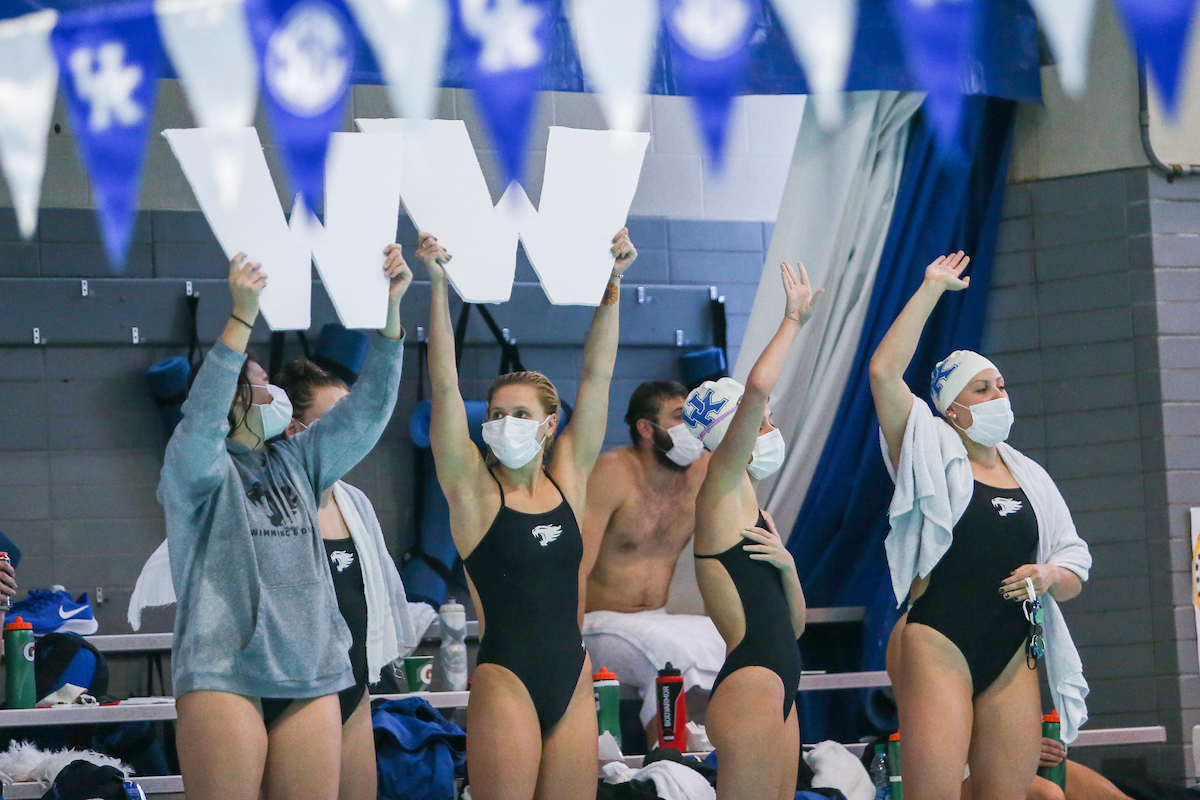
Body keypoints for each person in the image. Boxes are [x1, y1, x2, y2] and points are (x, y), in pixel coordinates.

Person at [158, 246, 412, 800]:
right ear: (231, 395)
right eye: (258, 379)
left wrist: (391, 315)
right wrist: (241, 316)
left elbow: (367, 411)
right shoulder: (197, 470)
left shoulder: (299, 463)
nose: (273, 389)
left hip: (311, 670)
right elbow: (201, 418)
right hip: (224, 672)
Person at [423, 228, 636, 799]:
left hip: (571, 679)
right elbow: (443, 386)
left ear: (548, 426)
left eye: (520, 413)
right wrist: (438, 285)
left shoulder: (568, 476)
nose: (504, 422)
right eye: (496, 412)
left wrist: (612, 283)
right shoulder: (474, 490)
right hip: (506, 681)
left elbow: (597, 377)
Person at [870, 251, 1092, 800]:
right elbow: (882, 372)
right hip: (940, 638)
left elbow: (1074, 565)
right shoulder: (926, 450)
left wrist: (1048, 576)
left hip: (1012, 648)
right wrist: (930, 290)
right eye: (983, 389)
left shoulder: (1029, 474)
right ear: (952, 409)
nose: (1000, 396)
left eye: (1001, 385)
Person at [684, 261, 818, 800]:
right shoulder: (717, 491)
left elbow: (796, 627)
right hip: (751, 687)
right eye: (759, 421)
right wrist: (792, 321)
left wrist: (787, 566)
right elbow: (760, 386)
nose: (770, 428)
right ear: (730, 430)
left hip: (780, 682)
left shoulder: (756, 509)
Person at [277, 358, 419, 800]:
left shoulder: (354, 502)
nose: (353, 430)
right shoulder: (270, 508)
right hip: (293, 698)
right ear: (296, 430)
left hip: (354, 692)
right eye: (340, 419)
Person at [581, 381, 725, 743]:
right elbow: (574, 566)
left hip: (657, 618)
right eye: (680, 418)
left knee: (732, 645)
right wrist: (567, 647)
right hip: (598, 621)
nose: (692, 429)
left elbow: (722, 556)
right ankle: (667, 765)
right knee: (671, 657)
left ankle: (714, 762)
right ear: (646, 429)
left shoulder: (703, 472)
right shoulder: (613, 472)